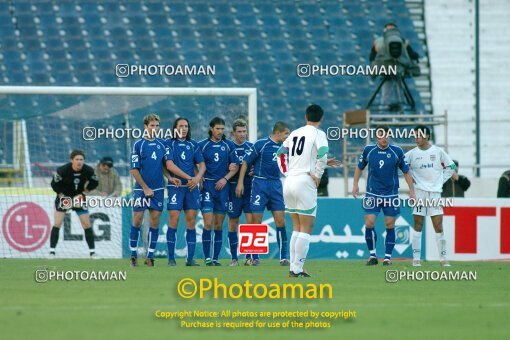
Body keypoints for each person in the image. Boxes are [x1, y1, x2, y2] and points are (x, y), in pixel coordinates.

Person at [274, 104, 327, 278]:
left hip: (289, 181)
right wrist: (318, 174)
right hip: (305, 181)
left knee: (297, 226)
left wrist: (287, 171)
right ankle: (296, 268)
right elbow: (323, 153)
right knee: (306, 227)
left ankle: (295, 267)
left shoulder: (295, 133)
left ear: (305, 117)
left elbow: (280, 153)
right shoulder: (319, 134)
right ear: (322, 118)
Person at [352, 125, 415, 266]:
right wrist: (355, 184)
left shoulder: (397, 151)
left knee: (389, 224)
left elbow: (406, 171)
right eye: (381, 135)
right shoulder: (369, 150)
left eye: (386, 135)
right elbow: (359, 167)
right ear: (377, 136)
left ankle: (387, 258)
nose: (384, 138)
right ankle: (372, 255)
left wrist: (411, 190)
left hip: (391, 195)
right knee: (369, 222)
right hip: (372, 193)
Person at [236, 121, 290, 267]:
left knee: (281, 221)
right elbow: (246, 162)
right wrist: (240, 182)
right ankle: (254, 257)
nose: (287, 136)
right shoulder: (261, 144)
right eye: (286, 133)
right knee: (256, 221)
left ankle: (283, 257)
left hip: (276, 185)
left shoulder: (285, 147)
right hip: (260, 184)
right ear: (278, 133)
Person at [129, 113, 179, 267]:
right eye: (152, 125)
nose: (155, 128)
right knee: (137, 220)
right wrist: (145, 188)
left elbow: (163, 165)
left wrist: (170, 178)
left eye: (157, 126)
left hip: (158, 190)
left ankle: (150, 256)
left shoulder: (162, 144)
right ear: (145, 126)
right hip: (140, 189)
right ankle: (133, 255)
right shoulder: (138, 145)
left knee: (155, 223)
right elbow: (133, 170)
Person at [405, 125, 455, 267]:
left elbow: (451, 167)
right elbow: (401, 167)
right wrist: (410, 180)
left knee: (438, 225)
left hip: (435, 194)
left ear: (427, 136)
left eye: (419, 135)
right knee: (418, 224)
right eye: (414, 135)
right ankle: (416, 258)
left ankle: (443, 258)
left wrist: (441, 180)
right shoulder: (411, 154)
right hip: (419, 192)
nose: (416, 137)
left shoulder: (438, 152)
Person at [164, 117, 206, 266]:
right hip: (176, 187)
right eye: (181, 126)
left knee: (191, 221)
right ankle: (171, 258)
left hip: (191, 187)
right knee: (174, 220)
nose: (184, 128)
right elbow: (169, 165)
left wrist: (198, 178)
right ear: (175, 128)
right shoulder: (169, 143)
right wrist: (190, 177)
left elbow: (202, 165)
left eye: (186, 126)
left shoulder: (193, 144)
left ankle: (190, 259)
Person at [198, 117, 239, 266]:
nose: (220, 132)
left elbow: (235, 167)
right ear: (211, 129)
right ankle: (207, 258)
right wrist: (199, 176)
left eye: (222, 129)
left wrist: (225, 179)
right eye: (217, 129)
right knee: (208, 223)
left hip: (223, 189)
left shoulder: (228, 146)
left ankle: (215, 258)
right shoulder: (202, 145)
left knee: (219, 225)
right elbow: (194, 162)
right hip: (207, 187)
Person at [49, 149, 99, 258]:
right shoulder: (63, 170)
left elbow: (95, 182)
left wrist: (84, 192)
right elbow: (54, 184)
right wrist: (61, 195)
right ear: (72, 160)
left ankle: (92, 252)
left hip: (79, 197)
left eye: (81, 159)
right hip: (64, 197)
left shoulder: (88, 170)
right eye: (77, 159)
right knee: (57, 223)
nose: (79, 162)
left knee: (86, 224)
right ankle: (52, 252)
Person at [227, 119, 254, 266]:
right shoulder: (228, 147)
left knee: (250, 222)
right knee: (233, 222)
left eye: (244, 131)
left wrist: (254, 170)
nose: (242, 134)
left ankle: (249, 257)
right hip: (233, 189)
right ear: (233, 132)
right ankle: (234, 258)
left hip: (249, 188)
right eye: (239, 131)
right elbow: (220, 166)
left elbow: (258, 165)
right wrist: (228, 167)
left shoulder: (251, 147)